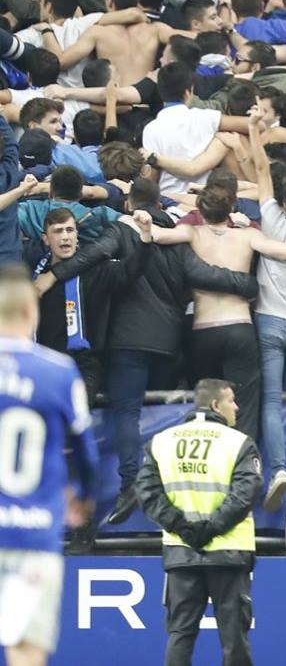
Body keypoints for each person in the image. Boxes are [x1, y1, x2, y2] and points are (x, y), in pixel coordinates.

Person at [0, 268, 96, 666]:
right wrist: (84, 498)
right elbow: (87, 455)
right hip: (31, 533)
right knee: (25, 649)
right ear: (30, 309)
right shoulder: (57, 371)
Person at [136, 378, 258, 666]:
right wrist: (211, 528)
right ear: (215, 405)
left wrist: (183, 528)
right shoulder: (239, 442)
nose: (236, 407)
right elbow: (245, 495)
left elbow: (147, 494)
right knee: (234, 637)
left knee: (180, 634)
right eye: (231, 400)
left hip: (182, 551)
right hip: (229, 552)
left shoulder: (161, 441)